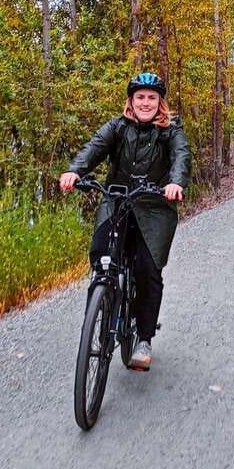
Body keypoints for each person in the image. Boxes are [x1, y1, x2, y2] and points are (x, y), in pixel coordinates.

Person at [59, 73, 191, 370]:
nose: (146, 102)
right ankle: (103, 303)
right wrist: (74, 171)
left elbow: (181, 157)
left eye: (152, 98)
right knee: (103, 258)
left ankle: (143, 338)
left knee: (147, 269)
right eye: (140, 97)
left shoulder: (170, 131)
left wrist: (176, 183)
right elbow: (93, 148)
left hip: (155, 206)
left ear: (160, 103)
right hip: (117, 202)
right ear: (131, 101)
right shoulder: (117, 127)